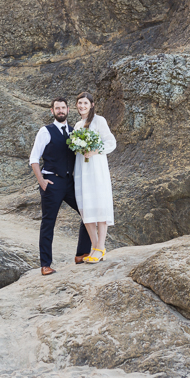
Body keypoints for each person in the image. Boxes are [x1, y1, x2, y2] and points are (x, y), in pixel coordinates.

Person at [29, 97, 92, 276]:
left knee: (87, 212)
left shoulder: (74, 132)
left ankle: (81, 253)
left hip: (69, 182)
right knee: (48, 222)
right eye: (57, 108)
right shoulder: (45, 131)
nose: (60, 111)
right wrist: (41, 181)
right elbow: (34, 158)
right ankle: (45, 264)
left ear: (68, 109)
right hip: (52, 182)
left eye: (63, 108)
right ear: (52, 111)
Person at [73, 91, 116, 263]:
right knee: (86, 208)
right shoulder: (77, 126)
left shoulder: (99, 121)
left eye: (85, 103)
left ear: (91, 105)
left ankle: (101, 247)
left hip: (97, 169)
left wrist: (95, 150)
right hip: (82, 170)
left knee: (99, 206)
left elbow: (111, 142)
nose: (82, 106)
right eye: (79, 103)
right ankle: (95, 247)